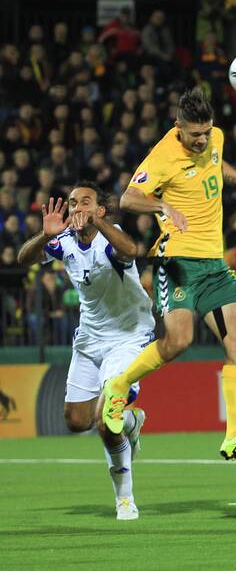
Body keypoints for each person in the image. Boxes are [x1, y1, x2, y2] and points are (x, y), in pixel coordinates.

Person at [100, 91, 236, 461]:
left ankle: (235, 436)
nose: (202, 140)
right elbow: (127, 199)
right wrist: (163, 203)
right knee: (178, 342)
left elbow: (217, 164)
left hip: (213, 264)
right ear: (178, 128)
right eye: (194, 134)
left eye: (206, 132)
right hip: (177, 261)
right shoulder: (163, 156)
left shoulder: (214, 138)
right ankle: (119, 385)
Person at [17, 185, 153, 521]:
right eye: (74, 202)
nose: (77, 207)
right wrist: (43, 235)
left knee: (106, 422)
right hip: (90, 340)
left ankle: (125, 499)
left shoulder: (112, 236)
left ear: (101, 211)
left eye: (86, 202)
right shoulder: (64, 242)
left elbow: (131, 251)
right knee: (77, 422)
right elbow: (23, 258)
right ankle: (132, 421)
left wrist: (97, 221)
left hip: (128, 337)